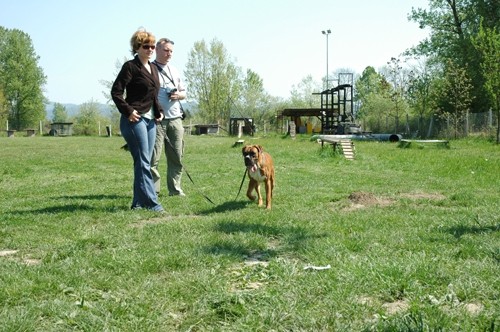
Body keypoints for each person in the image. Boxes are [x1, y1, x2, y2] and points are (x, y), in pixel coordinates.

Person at [111, 29, 165, 212]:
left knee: (144, 162)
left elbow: (153, 96)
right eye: (146, 46)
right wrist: (128, 111)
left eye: (152, 46)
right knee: (143, 161)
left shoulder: (154, 68)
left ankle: (138, 203)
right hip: (134, 121)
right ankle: (152, 203)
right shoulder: (130, 66)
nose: (150, 49)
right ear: (137, 47)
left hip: (150, 121)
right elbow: (116, 92)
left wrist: (159, 112)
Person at [150, 38, 187, 196]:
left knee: (177, 157)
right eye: (166, 50)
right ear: (157, 50)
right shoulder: (150, 69)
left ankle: (175, 190)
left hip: (176, 119)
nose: (169, 53)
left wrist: (178, 95)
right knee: (153, 159)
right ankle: (153, 192)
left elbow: (184, 93)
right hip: (157, 120)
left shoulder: (175, 70)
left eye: (171, 51)